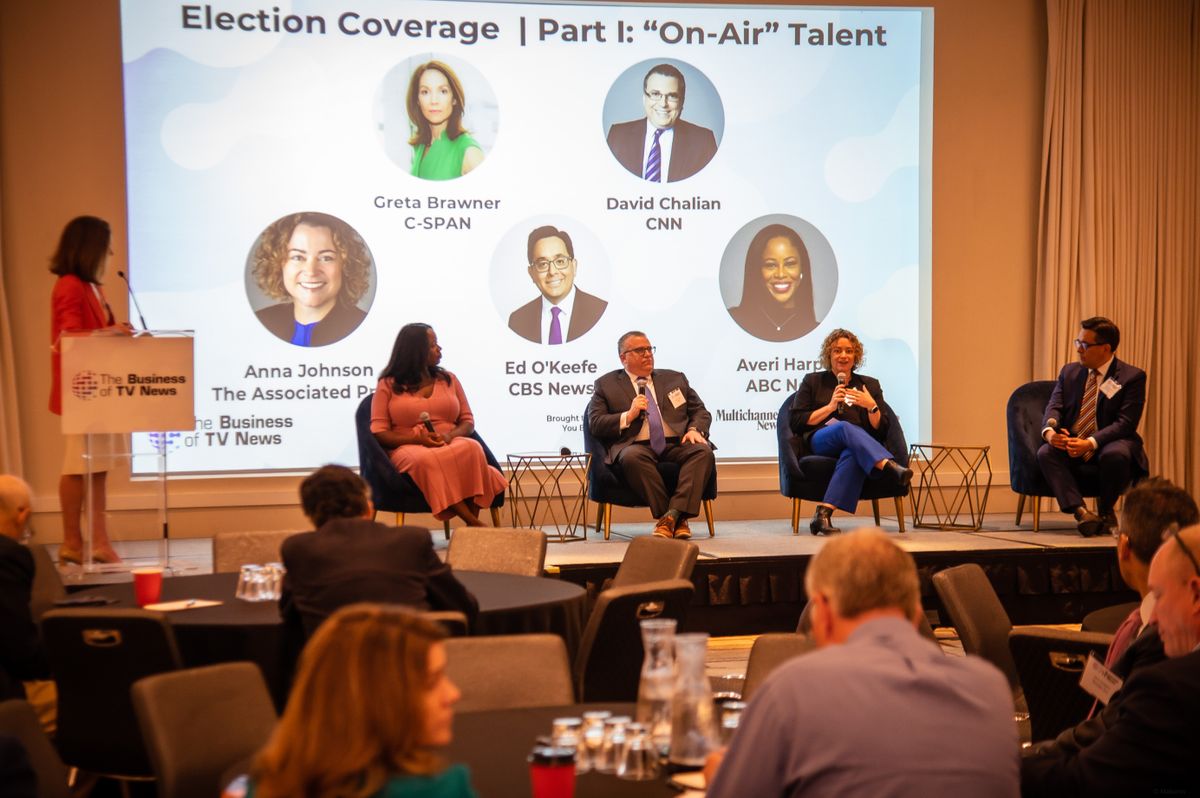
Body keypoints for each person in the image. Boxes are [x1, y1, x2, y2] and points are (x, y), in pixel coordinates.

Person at [705, 529, 1019, 797]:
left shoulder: (793, 690)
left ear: (822, 612)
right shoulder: (990, 688)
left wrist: (719, 778)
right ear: (915, 613)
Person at [1020, 524, 1200, 796]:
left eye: (1159, 596)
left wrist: (996, 769)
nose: (1153, 618)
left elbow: (1083, 780)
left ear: (1196, 594)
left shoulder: (1172, 689)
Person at [247, 604, 477, 798]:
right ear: (380, 697)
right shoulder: (439, 789)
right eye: (431, 682)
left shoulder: (261, 784)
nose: (453, 693)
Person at [279, 465, 478, 638]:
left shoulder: (298, 549)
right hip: (409, 668)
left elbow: (288, 615)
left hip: (333, 673)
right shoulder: (411, 540)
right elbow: (461, 604)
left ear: (310, 515)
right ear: (368, 507)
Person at [48, 215, 132, 564]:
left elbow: (102, 335)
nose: (111, 251)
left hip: (102, 391)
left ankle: (98, 542)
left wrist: (122, 331)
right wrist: (113, 334)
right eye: (106, 244)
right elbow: (66, 337)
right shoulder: (69, 284)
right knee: (76, 466)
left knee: (98, 468)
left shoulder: (95, 288)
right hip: (81, 391)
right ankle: (71, 542)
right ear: (90, 247)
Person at [370, 324, 506, 528]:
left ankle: (472, 527)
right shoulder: (388, 384)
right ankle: (473, 524)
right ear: (416, 351)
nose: (439, 349)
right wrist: (417, 440)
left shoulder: (449, 379)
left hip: (449, 441)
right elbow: (379, 432)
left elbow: (467, 421)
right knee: (427, 459)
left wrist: (449, 437)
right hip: (407, 447)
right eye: (433, 345)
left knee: (472, 447)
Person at [587, 331, 714, 539]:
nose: (647, 354)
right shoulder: (606, 385)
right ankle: (677, 518)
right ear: (623, 358)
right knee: (632, 457)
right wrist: (629, 415)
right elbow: (596, 423)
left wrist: (694, 430)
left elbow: (700, 411)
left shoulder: (675, 378)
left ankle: (670, 518)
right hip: (636, 446)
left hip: (675, 443)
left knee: (702, 451)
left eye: (649, 349)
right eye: (639, 350)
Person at [788, 329, 912, 535]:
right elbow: (796, 421)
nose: (843, 355)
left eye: (848, 351)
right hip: (821, 441)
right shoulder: (812, 381)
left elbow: (881, 429)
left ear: (856, 356)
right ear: (829, 355)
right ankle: (887, 465)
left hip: (857, 445)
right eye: (837, 351)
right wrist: (829, 407)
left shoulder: (869, 385)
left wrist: (871, 406)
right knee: (845, 428)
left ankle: (823, 514)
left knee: (854, 453)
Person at [1038, 316, 1148, 536]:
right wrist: (1051, 432)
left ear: (1105, 348)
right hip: (1075, 439)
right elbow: (1054, 406)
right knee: (1046, 452)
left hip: (1111, 441)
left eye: (1085, 345)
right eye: (1077, 343)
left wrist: (1090, 443)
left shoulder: (1131, 377)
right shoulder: (1069, 372)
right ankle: (1082, 513)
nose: (1079, 350)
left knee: (1115, 455)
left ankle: (1106, 510)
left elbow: (1125, 424)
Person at [251, 212, 371, 347]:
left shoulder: (368, 329)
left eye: (326, 258)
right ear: (279, 264)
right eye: (298, 257)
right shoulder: (260, 321)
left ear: (346, 265)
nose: (311, 271)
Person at [606, 63, 718, 183]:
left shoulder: (704, 141)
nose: (663, 104)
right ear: (645, 98)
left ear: (682, 101)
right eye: (655, 94)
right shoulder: (617, 135)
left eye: (672, 96)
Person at [507, 225, 608, 344]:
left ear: (574, 266)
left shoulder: (601, 311)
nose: (552, 271)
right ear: (531, 273)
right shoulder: (518, 320)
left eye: (560, 261)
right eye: (543, 264)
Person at [0, 476, 49, 701]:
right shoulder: (8, 555)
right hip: (7, 696)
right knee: (109, 699)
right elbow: (22, 653)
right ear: (23, 515)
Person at [727, 224, 818, 341]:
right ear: (757, 271)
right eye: (770, 265)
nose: (780, 274)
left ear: (803, 269)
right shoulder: (732, 320)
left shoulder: (817, 330)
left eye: (790, 264)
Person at [407, 60, 484, 180]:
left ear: (454, 99)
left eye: (443, 91)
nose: (434, 101)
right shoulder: (420, 146)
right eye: (425, 92)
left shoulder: (468, 151)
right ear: (417, 100)